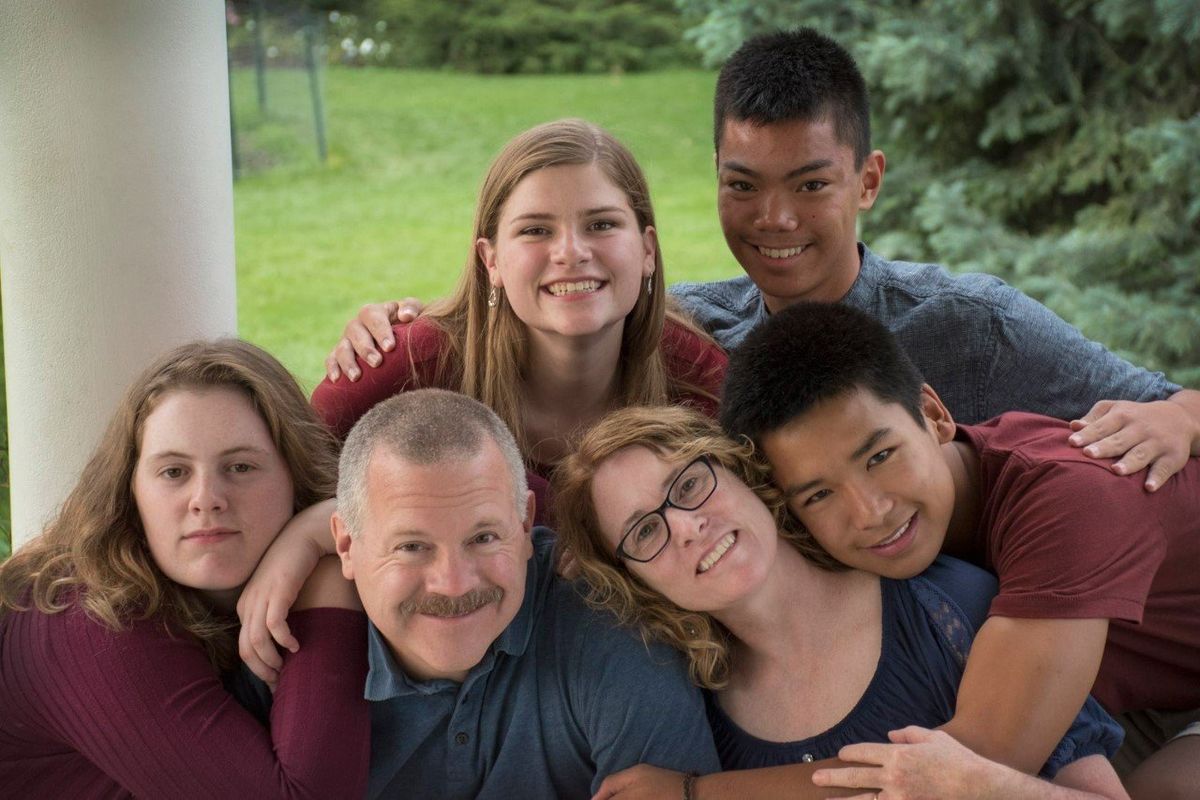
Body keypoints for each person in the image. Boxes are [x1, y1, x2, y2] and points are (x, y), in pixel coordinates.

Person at [328, 29, 1199, 493]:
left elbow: (1169, 406)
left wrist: (1181, 414)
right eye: (744, 184)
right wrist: (398, 322)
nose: (774, 219)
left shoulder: (972, 324)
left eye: (811, 184)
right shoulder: (690, 329)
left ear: (868, 180)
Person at [719, 301, 1200, 798]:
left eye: (880, 456)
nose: (870, 512)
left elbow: (962, 763)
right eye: (819, 494)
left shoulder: (1069, 501)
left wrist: (692, 792)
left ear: (934, 415)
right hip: (1139, 695)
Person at [552, 404, 1127, 799]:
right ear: (634, 580)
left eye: (688, 485)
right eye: (644, 533)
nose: (685, 527)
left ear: (740, 471)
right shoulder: (698, 722)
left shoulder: (948, 607)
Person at [0, 340, 369, 798]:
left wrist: (316, 533)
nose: (207, 498)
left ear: (295, 474)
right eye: (174, 472)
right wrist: (323, 560)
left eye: (240, 466)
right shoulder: (92, 621)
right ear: (130, 493)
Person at [311, 118, 725, 525]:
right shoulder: (410, 365)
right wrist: (311, 533)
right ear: (491, 261)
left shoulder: (697, 376)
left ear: (647, 249)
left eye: (602, 224)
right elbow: (288, 473)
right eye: (536, 230)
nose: (571, 252)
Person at [329, 388, 720, 798]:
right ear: (346, 546)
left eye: (483, 537)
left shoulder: (608, 623)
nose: (454, 584)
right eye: (412, 547)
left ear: (524, 524)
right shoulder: (289, 649)